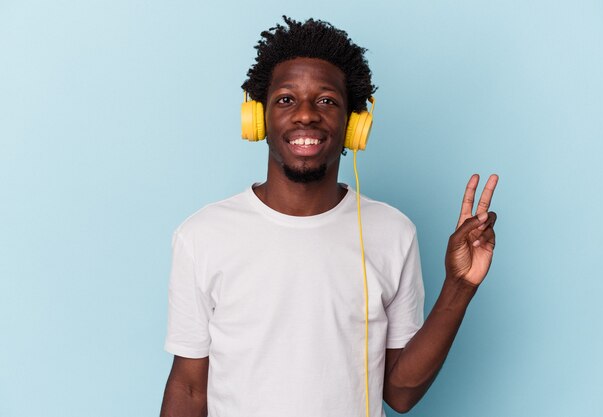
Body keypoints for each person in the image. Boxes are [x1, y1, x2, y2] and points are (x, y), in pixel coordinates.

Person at [160, 16, 498, 417]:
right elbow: (189, 388)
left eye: (326, 101)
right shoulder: (202, 236)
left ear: (354, 126)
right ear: (258, 120)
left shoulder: (393, 232)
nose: (306, 115)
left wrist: (459, 287)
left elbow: (400, 393)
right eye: (286, 99)